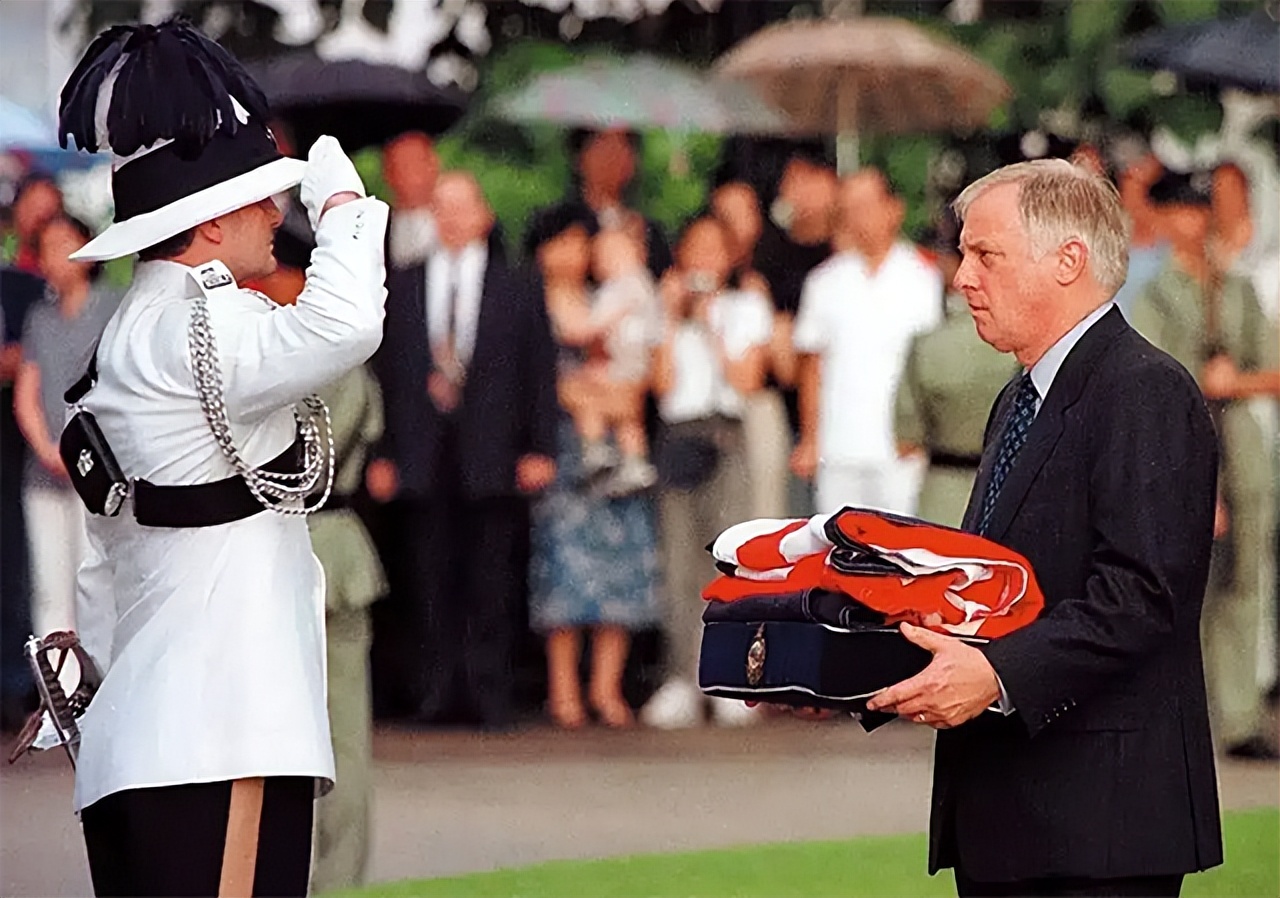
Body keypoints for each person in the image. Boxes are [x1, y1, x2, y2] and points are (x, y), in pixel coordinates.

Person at [56, 18, 388, 897]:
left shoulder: (127, 337)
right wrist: (349, 213)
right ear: (205, 229)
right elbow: (348, 324)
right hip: (224, 735)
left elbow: (101, 569)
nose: (278, 211)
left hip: (149, 743)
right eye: (259, 195)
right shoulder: (201, 322)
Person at [867, 159, 1222, 897]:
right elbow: (1000, 589)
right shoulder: (1021, 397)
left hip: (1099, 828)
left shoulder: (1144, 390)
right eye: (965, 254)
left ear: (1070, 261)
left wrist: (997, 675)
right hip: (1014, 814)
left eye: (984, 254)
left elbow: (1142, 595)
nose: (962, 276)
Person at [369, 170, 557, 730]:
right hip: (421, 453)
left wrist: (540, 446)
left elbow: (538, 372)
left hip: (495, 451)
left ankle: (490, 692)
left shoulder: (517, 285)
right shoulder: (401, 284)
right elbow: (384, 378)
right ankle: (433, 691)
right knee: (427, 576)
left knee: (493, 577)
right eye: (440, 207)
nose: (450, 218)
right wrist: (381, 453)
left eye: (461, 207)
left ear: (484, 215)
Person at [1129, 169, 1280, 762]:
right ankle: (1177, 714)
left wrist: (1233, 380)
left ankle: (1240, 717)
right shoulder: (1153, 294)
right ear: (1164, 219)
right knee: (1183, 587)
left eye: (1201, 210)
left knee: (1246, 583)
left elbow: (1272, 370)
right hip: (1184, 446)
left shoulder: (1236, 289)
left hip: (1240, 446)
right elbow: (1153, 384)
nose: (1194, 222)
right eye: (1182, 211)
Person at [524, 207, 662, 730]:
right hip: (565, 450)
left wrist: (614, 401)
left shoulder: (608, 299)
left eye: (580, 243)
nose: (572, 254)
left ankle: (607, 688)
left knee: (621, 566)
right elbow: (546, 381)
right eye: (561, 242)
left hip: (617, 453)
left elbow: (638, 370)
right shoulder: (533, 304)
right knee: (563, 569)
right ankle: (563, 690)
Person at [641, 216, 772, 730]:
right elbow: (661, 381)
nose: (703, 262)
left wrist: (713, 322)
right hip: (678, 438)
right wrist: (673, 318)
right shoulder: (664, 305)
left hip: (726, 434)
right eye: (694, 250)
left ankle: (731, 678)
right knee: (678, 564)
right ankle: (681, 677)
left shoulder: (746, 306)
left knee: (730, 562)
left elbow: (748, 379)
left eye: (714, 251)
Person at [791, 168, 943, 516]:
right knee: (838, 552)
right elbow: (811, 366)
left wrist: (923, 432)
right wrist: (811, 439)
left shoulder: (923, 278)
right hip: (839, 447)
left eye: (866, 205)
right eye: (849, 207)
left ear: (894, 209)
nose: (858, 216)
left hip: (901, 449)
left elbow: (929, 364)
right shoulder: (824, 282)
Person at [12, 216, 120, 693]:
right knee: (49, 585)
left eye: (65, 243)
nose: (56, 255)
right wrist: (47, 448)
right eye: (48, 246)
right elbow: (27, 392)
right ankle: (60, 695)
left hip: (96, 469)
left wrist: (78, 450)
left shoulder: (112, 310)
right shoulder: (39, 317)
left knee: (94, 579)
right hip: (46, 472)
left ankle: (105, 687)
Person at [894, 226, 1021, 528]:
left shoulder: (928, 344)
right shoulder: (1020, 345)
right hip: (1007, 493)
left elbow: (906, 441)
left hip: (941, 495)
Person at [543, 226, 659, 495]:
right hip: (571, 425)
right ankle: (603, 453)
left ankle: (627, 461)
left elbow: (597, 332)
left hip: (622, 376)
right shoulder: (537, 298)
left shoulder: (622, 289)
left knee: (626, 418)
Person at [711, 180, 791, 521]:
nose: (733, 226)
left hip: (760, 406)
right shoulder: (708, 280)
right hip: (714, 412)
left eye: (741, 214)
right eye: (723, 216)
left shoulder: (779, 272)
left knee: (763, 514)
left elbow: (780, 366)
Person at [525, 128, 672, 278]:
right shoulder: (553, 222)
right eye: (603, 144)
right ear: (580, 155)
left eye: (625, 145)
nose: (615, 154)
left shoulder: (650, 232)